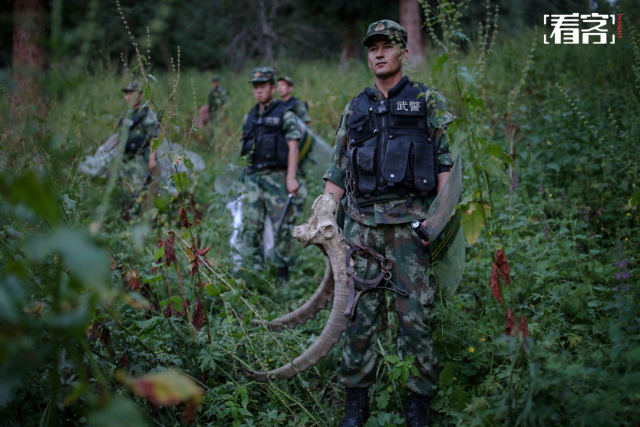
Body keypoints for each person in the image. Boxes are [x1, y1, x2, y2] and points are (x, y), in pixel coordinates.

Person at [322, 20, 455, 427]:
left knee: (414, 318)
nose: (378, 53)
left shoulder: (426, 101)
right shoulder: (355, 106)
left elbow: (446, 168)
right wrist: (324, 210)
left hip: (408, 230)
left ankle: (418, 405)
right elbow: (338, 168)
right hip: (361, 230)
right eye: (372, 48)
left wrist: (436, 222)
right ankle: (355, 404)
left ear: (403, 52)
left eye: (386, 46)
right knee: (358, 317)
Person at [241, 67, 307, 282]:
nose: (258, 91)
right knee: (252, 224)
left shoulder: (284, 113)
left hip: (276, 178)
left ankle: (282, 272)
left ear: (272, 87)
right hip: (253, 178)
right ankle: (256, 269)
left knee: (282, 226)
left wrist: (291, 177)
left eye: (263, 86)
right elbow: (245, 151)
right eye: (255, 87)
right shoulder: (250, 116)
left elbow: (293, 146)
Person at [119, 82, 160, 212]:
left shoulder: (147, 114)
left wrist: (152, 159)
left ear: (140, 95)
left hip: (140, 158)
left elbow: (154, 137)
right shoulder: (127, 115)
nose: (128, 96)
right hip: (126, 159)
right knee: (125, 189)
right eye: (127, 93)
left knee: (138, 191)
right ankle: (128, 214)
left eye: (132, 93)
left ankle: (138, 217)